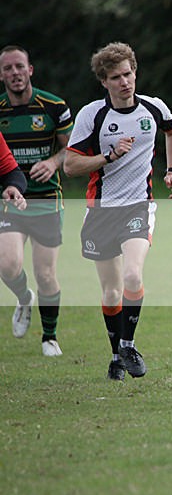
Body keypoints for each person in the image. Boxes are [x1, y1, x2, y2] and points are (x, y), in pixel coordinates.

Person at [64, 42, 172, 380]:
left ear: (135, 72)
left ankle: (127, 345)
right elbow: (71, 165)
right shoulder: (93, 115)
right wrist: (108, 157)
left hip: (139, 205)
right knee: (111, 291)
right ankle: (116, 354)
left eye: (128, 74)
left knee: (133, 275)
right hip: (101, 210)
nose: (125, 82)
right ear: (104, 81)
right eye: (116, 77)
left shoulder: (153, 108)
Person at [0, 45, 73, 356]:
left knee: (46, 274)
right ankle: (22, 296)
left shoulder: (53, 106)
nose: (15, 73)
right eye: (8, 68)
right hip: (10, 200)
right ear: (1, 75)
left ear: (30, 70)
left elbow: (74, 149)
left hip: (45, 200)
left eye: (20, 66)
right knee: (7, 264)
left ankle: (49, 337)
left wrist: (54, 162)